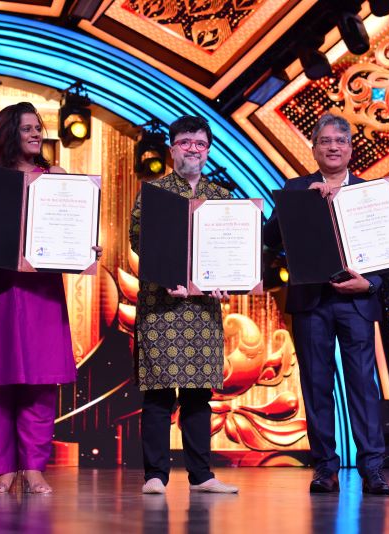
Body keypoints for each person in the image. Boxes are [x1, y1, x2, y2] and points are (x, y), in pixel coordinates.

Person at [0, 102, 100, 494]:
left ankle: (33, 467)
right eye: (27, 128)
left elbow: (76, 229)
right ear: (8, 133)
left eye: (38, 128)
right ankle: (3, 468)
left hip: (40, 290)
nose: (36, 134)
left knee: (39, 379)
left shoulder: (56, 177)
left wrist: (86, 246)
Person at [263, 113, 389, 495]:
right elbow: (271, 238)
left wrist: (372, 283)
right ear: (314, 148)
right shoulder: (296, 187)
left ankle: (373, 469)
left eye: (340, 141)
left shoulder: (371, 192)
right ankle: (324, 468)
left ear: (350, 148)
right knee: (317, 385)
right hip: (311, 301)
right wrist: (303, 203)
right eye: (325, 141)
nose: (333, 147)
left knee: (363, 386)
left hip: (356, 300)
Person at [130, 115, 238, 495]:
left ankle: (202, 476)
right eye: (186, 142)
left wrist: (227, 281)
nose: (194, 149)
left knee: (198, 394)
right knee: (158, 393)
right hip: (161, 306)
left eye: (200, 143)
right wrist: (166, 275)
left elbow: (232, 249)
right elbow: (138, 241)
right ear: (172, 148)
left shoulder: (222, 197)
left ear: (208, 151)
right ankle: (155, 475)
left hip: (203, 310)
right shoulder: (154, 192)